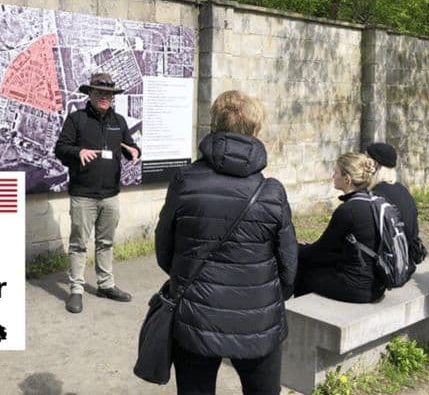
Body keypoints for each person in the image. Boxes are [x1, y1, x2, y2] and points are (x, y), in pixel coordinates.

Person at [154, 90, 298, 395]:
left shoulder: (184, 180)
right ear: (257, 131)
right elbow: (288, 266)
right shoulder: (272, 191)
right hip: (258, 320)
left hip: (196, 315)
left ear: (213, 127)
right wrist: (266, 298)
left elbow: (164, 250)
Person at [54, 73, 141, 314]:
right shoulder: (76, 119)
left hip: (111, 195)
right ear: (90, 94)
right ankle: (76, 291)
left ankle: (106, 285)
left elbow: (130, 146)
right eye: (100, 93)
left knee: (106, 242)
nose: (105, 98)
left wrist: (134, 152)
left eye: (109, 94)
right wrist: (78, 152)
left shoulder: (119, 121)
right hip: (83, 194)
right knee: (79, 244)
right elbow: (60, 148)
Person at [296, 152, 385, 303]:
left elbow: (321, 250)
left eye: (336, 172)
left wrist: (297, 249)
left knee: (303, 271)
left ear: (347, 179)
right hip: (378, 283)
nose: (333, 176)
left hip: (358, 287)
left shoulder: (348, 210)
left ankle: (301, 322)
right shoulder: (375, 202)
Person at [366, 142, 420, 245]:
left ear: (375, 165)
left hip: (392, 255)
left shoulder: (376, 195)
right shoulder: (401, 189)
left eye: (367, 161)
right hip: (407, 252)